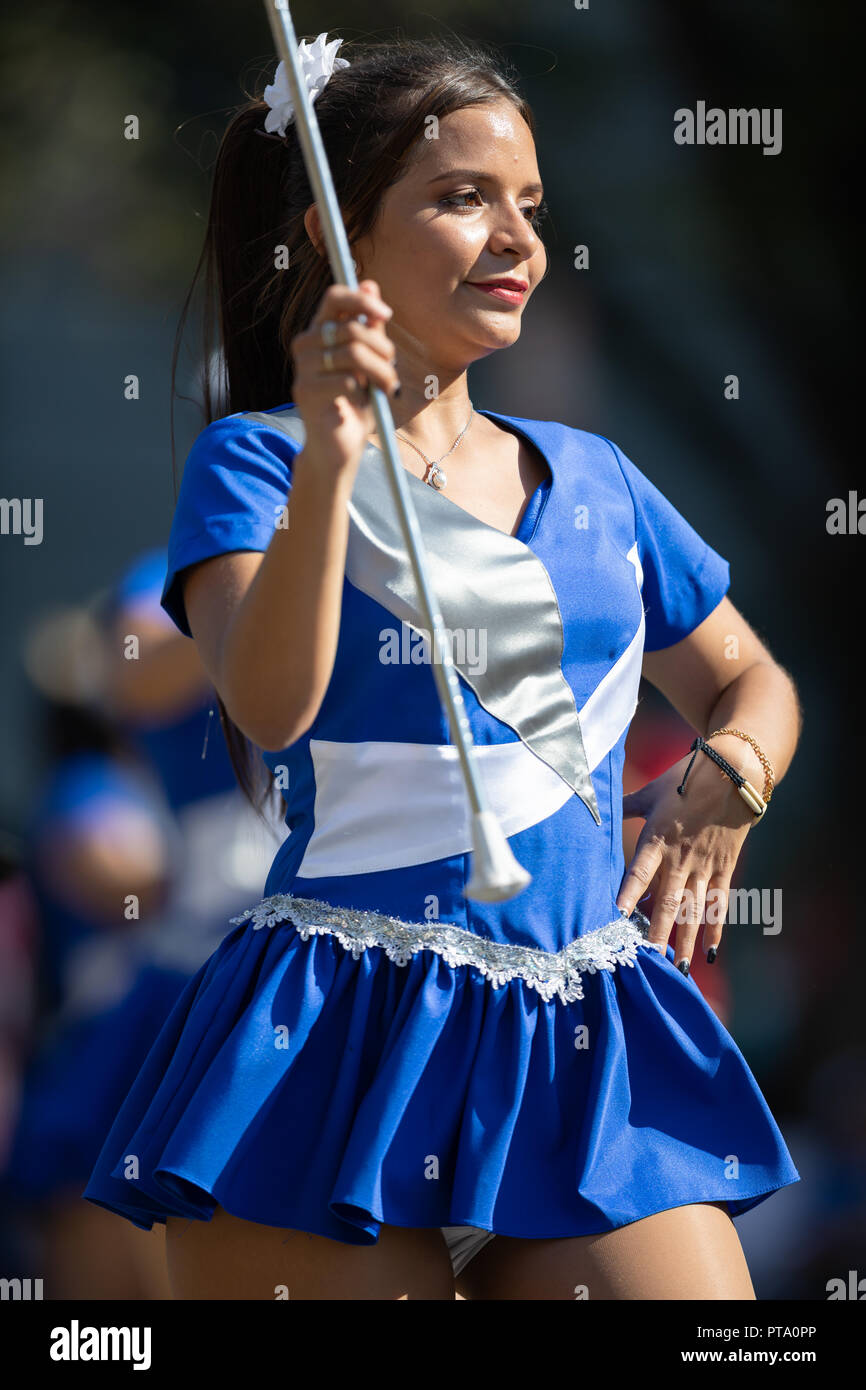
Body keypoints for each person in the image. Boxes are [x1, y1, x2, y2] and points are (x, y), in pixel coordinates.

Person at [84, 32, 801, 1300]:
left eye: (528, 202)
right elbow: (268, 700)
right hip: (328, 1045)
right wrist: (329, 455)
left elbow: (752, 683)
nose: (518, 238)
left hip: (587, 1037)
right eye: (462, 197)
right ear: (333, 236)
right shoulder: (258, 464)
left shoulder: (597, 480)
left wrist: (722, 783)